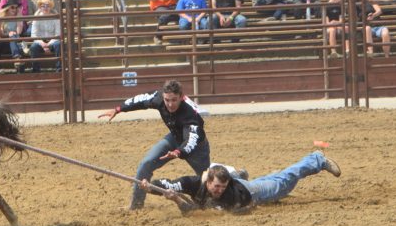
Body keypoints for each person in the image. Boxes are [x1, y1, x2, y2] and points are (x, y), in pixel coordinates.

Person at [99, 79, 210, 210]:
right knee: (146, 164)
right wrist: (118, 109)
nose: (170, 104)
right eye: (167, 100)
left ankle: (214, 201)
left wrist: (178, 152)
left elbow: (191, 139)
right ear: (163, 96)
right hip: (174, 138)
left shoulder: (190, 114)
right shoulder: (158, 98)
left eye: (174, 100)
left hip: (196, 147)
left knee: (207, 179)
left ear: (181, 97)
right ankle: (136, 205)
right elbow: (140, 100)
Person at [141, 151, 340, 212]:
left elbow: (196, 212)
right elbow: (170, 184)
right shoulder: (194, 182)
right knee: (273, 179)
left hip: (250, 192)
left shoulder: (228, 196)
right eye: (216, 186)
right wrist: (151, 186)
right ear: (208, 181)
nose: (218, 190)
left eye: (221, 187)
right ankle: (240, 174)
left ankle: (317, 159)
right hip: (235, 181)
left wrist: (176, 200)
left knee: (284, 182)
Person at [29, 0, 60, 73]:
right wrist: (42, 43)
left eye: (47, 6)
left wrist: (49, 43)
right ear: (40, 7)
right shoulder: (36, 18)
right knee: (33, 47)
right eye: (43, 6)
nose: (45, 8)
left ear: (51, 7)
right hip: (40, 41)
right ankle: (36, 70)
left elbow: (58, 34)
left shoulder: (56, 18)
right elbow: (34, 35)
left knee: (59, 44)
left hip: (53, 40)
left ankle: (59, 69)